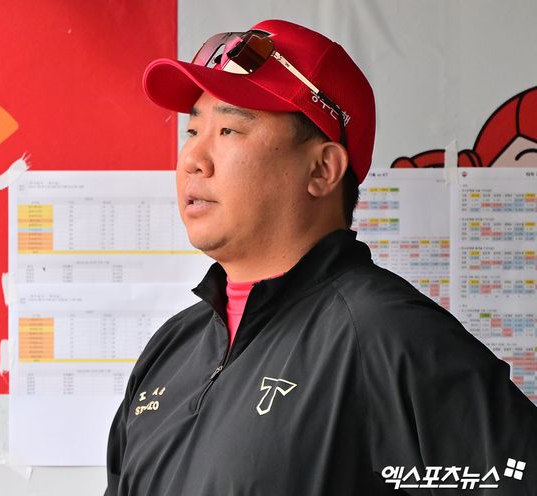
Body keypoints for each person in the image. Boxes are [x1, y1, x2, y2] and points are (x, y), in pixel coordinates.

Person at [105, 19, 537, 495]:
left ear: (322, 169)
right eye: (192, 130)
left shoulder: (392, 336)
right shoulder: (172, 347)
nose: (192, 159)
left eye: (228, 129)